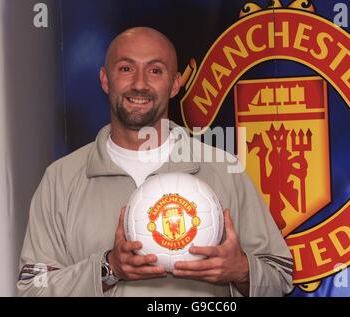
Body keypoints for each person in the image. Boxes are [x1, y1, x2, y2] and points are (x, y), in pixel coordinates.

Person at [17, 27, 293, 297]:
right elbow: (32, 289)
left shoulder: (224, 168)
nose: (139, 83)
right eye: (126, 68)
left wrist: (242, 271)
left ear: (175, 84)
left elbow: (279, 277)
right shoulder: (62, 177)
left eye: (155, 70)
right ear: (105, 79)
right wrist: (108, 268)